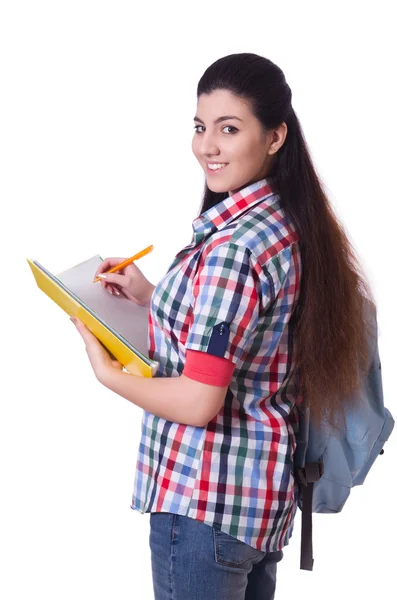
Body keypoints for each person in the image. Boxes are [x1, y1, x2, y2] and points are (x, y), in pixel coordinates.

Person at [71, 53, 375, 600]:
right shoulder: (284, 225)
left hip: (202, 505)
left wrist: (107, 375)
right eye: (199, 126)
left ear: (276, 136)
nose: (206, 146)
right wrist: (152, 297)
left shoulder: (233, 248)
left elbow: (197, 400)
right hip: (258, 503)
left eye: (229, 129)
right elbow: (249, 340)